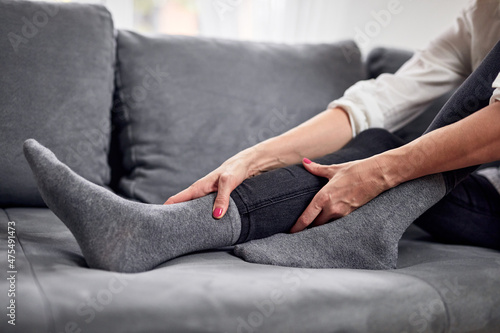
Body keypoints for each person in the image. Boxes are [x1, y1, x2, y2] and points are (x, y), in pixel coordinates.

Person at [23, 0, 500, 273]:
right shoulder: (481, 15)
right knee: (378, 142)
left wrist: (377, 174)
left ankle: (151, 232)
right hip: (474, 190)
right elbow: (377, 101)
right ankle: (149, 230)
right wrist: (252, 158)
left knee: (382, 161)